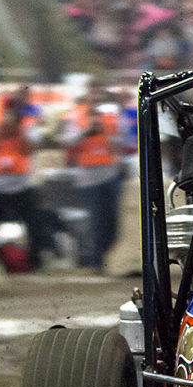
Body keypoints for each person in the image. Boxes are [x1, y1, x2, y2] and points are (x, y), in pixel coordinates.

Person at [0, 85, 55, 270]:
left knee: (34, 224)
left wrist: (18, 130)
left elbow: (30, 148)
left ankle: (35, 262)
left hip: (22, 185)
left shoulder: (28, 123)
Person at [62, 85, 126, 273]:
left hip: (109, 174)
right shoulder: (75, 118)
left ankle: (110, 258)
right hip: (88, 177)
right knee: (95, 221)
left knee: (112, 219)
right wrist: (87, 131)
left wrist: (105, 130)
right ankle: (96, 261)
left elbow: (122, 141)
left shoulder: (112, 117)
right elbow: (67, 141)